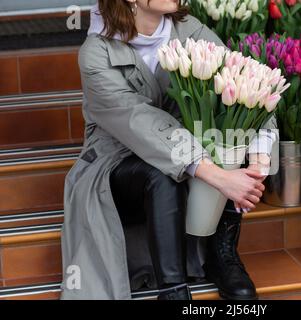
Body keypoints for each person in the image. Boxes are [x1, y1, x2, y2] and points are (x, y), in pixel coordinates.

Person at [61, 0, 278, 300]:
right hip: (116, 165)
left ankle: (221, 256)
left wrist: (259, 157)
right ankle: (174, 291)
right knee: (160, 173)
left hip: (184, 155)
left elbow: (246, 79)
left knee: (229, 132)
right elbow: (141, 123)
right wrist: (218, 176)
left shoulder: (189, 30)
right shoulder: (97, 52)